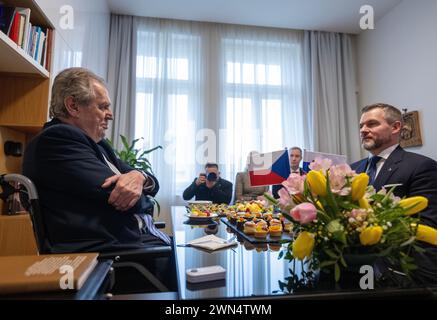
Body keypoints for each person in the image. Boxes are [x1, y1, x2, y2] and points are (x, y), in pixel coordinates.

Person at [23, 67, 171, 254]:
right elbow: (126, 199)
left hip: (133, 243)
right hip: (111, 257)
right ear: (73, 106)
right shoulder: (57, 139)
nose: (110, 114)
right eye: (102, 107)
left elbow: (153, 184)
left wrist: (139, 175)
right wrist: (140, 193)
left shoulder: (99, 145)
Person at [351, 103, 437, 284]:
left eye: (372, 124)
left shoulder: (421, 166)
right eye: (361, 126)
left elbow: (425, 225)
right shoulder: (352, 169)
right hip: (353, 271)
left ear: (396, 127)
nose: (363, 130)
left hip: (400, 273)